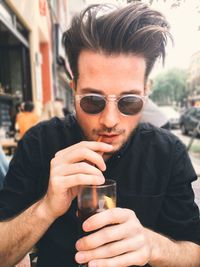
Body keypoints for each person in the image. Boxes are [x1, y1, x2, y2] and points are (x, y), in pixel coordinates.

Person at [0, 3, 200, 267]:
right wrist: (45, 208)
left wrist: (152, 245)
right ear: (73, 91)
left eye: (129, 102)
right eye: (93, 101)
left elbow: (194, 252)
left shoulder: (167, 152)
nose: (110, 120)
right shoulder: (39, 143)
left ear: (145, 92)